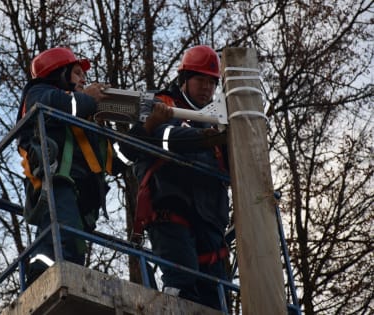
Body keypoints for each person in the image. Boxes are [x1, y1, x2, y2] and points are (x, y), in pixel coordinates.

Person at [119, 45, 230, 310]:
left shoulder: (216, 121)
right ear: (184, 80)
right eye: (200, 80)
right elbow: (126, 151)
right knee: (182, 284)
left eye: (212, 82)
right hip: (171, 210)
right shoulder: (161, 104)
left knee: (217, 297)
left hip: (210, 221)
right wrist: (200, 138)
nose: (206, 87)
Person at [16, 47, 123, 286]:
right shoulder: (39, 93)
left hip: (84, 190)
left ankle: (68, 278)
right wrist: (91, 99)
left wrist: (142, 131)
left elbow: (118, 161)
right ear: (59, 74)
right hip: (57, 180)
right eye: (76, 72)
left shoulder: (85, 113)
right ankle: (40, 278)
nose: (83, 79)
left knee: (75, 245)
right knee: (59, 233)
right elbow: (65, 106)